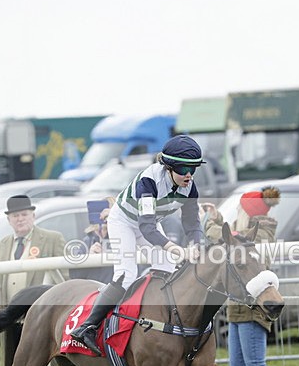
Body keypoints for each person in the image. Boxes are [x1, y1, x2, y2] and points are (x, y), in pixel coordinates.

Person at [70, 134, 204, 354]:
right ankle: (86, 328)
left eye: (193, 169)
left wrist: (195, 244)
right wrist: (176, 249)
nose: (188, 175)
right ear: (169, 167)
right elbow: (147, 228)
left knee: (167, 268)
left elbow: (192, 222)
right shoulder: (149, 181)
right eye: (182, 170)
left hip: (147, 224)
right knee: (126, 274)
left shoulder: (190, 187)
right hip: (124, 221)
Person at [204, 186, 294, 366]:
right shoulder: (247, 231)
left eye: (241, 207)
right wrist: (217, 221)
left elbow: (225, 237)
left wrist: (215, 223)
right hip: (238, 308)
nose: (238, 211)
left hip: (254, 308)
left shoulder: (258, 234)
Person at [0, 194, 67, 366]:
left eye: (24, 214)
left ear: (33, 216)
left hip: (43, 316)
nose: (20, 219)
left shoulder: (52, 239)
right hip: (13, 316)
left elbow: (64, 276)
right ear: (9, 219)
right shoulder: (2, 245)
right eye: (15, 216)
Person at [79, 198, 144, 366]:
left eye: (106, 221)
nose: (102, 227)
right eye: (100, 223)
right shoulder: (88, 241)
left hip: (121, 304)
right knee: (109, 362)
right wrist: (89, 255)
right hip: (97, 304)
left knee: (121, 357)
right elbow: (76, 274)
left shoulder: (123, 235)